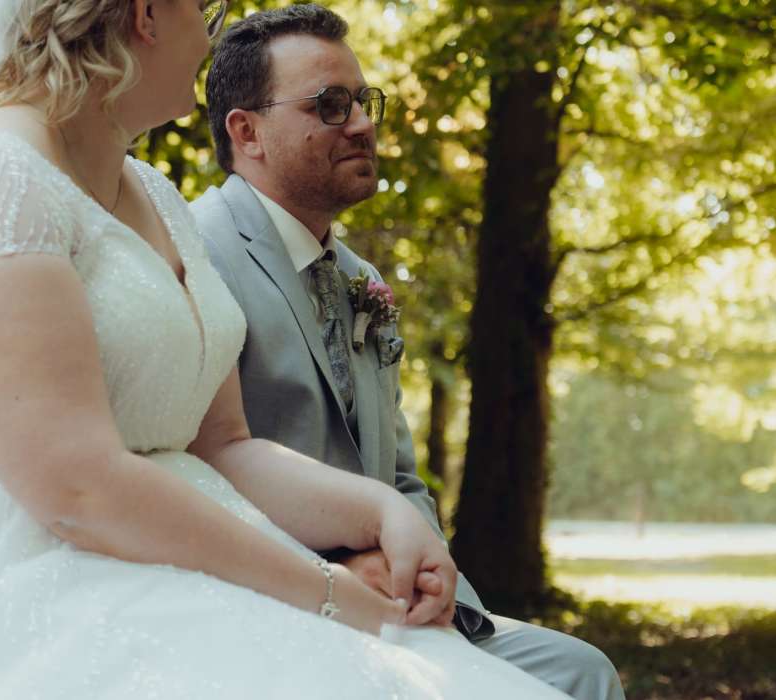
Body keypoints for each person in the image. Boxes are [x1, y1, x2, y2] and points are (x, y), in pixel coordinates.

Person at [0, 1, 569, 697]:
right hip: (3, 578)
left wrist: (380, 512)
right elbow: (78, 488)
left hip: (156, 544)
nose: (212, 37)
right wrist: (329, 593)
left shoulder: (155, 196)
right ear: (146, 14)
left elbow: (223, 445)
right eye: (206, 9)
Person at [191, 5, 624, 700]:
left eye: (364, 101)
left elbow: (399, 478)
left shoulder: (361, 279)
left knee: (582, 672)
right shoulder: (194, 250)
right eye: (331, 105)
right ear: (248, 132)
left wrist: (428, 582)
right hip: (264, 607)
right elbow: (190, 469)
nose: (363, 124)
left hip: (397, 609)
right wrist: (331, 576)